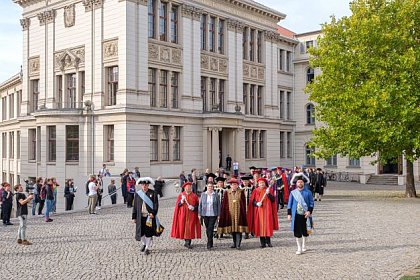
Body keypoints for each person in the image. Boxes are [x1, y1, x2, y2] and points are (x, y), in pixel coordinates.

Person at [247, 178, 279, 248]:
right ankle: (262, 243)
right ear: (258, 184)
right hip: (259, 211)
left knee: (267, 225)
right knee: (260, 226)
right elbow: (252, 201)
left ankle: (268, 242)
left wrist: (268, 194)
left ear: (265, 183)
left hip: (267, 210)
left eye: (263, 183)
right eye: (260, 183)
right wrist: (256, 203)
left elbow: (273, 200)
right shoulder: (255, 191)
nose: (262, 184)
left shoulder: (269, 190)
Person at [217, 178, 248, 249]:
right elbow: (224, 204)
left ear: (237, 185)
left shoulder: (241, 192)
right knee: (232, 230)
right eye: (232, 185)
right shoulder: (227, 192)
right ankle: (234, 243)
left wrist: (243, 212)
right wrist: (224, 213)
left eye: (235, 184)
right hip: (230, 214)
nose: (234, 186)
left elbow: (243, 203)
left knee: (238, 229)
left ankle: (238, 244)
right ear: (230, 186)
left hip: (239, 213)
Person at [132, 177, 160, 255]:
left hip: (149, 217)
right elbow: (135, 206)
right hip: (140, 216)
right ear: (141, 185)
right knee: (141, 233)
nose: (144, 186)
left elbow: (156, 205)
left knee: (148, 233)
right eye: (143, 185)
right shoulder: (138, 194)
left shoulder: (153, 193)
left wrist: (153, 213)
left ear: (148, 185)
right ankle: (144, 244)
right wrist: (134, 217)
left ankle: (147, 247)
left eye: (146, 185)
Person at [288, 179, 314, 255]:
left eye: (301, 182)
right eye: (298, 182)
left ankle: (304, 245)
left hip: (305, 215)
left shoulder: (308, 192)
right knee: (297, 232)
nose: (300, 183)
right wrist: (289, 214)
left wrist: (309, 211)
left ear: (303, 183)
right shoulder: (293, 193)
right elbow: (290, 204)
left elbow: (311, 203)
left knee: (305, 231)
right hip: (296, 215)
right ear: (296, 183)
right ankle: (299, 248)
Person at [171, 182, 201, 249]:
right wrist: (181, 202)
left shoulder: (194, 196)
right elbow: (177, 205)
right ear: (185, 188)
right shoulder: (181, 195)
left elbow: (198, 205)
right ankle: (186, 241)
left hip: (191, 215)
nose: (189, 189)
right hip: (183, 215)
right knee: (184, 227)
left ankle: (188, 242)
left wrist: (193, 207)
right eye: (187, 188)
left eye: (190, 187)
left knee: (190, 227)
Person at [198, 182, 221, 250]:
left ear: (213, 187)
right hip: (205, 214)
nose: (210, 188)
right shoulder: (203, 194)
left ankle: (209, 243)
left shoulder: (216, 194)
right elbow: (200, 205)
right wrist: (199, 214)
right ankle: (211, 241)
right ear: (206, 187)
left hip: (213, 214)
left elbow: (218, 205)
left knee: (210, 228)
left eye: (211, 186)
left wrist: (219, 214)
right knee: (207, 228)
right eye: (209, 186)